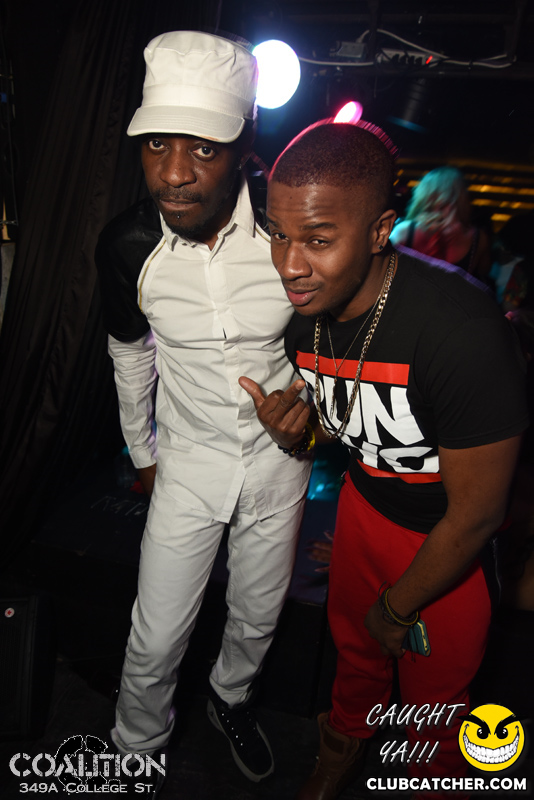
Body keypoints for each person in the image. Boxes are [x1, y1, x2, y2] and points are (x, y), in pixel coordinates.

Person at [239, 121, 528, 800]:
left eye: (317, 239)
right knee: (355, 658)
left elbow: (479, 513)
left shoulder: (462, 331)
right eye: (277, 233)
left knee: (436, 700)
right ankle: (339, 754)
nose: (289, 264)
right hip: (365, 511)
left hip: (449, 540)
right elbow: (356, 429)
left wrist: (398, 608)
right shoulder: (301, 318)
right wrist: (295, 437)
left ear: (380, 230)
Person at [95, 30, 312, 787]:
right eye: (157, 143)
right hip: (186, 461)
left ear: (246, 148)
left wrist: (312, 412)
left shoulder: (290, 234)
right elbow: (130, 354)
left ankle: (230, 699)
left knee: (257, 616)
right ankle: (135, 750)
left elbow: (332, 339)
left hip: (281, 463)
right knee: (156, 637)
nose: (174, 172)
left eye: (205, 149)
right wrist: (144, 454)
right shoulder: (127, 245)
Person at [390, 165, 491, 281]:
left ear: (423, 196)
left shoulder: (405, 231)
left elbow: (379, 264)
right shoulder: (478, 238)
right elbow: (484, 271)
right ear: (462, 197)